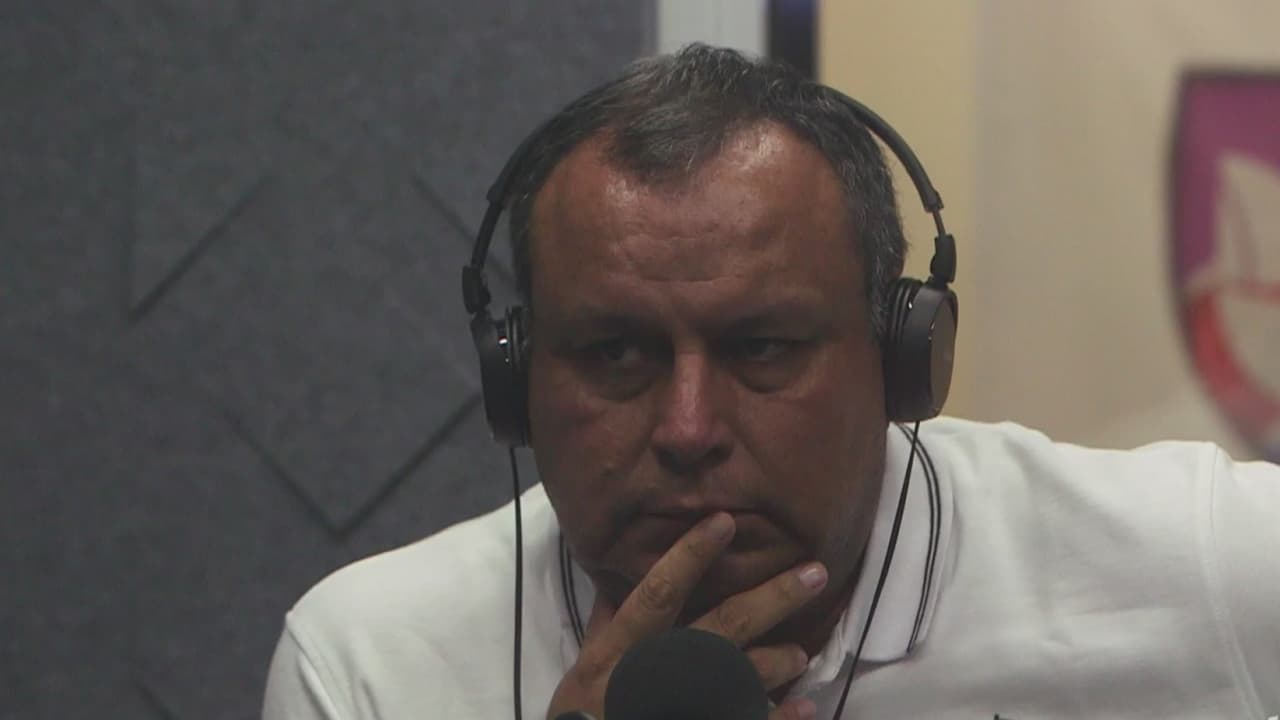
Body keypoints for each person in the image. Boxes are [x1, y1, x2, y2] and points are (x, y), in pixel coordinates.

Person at [262, 45, 1280, 719]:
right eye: (615, 354)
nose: (687, 429)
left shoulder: (1206, 565)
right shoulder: (370, 668)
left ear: (901, 363)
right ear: (515, 379)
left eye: (763, 348)